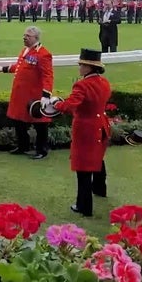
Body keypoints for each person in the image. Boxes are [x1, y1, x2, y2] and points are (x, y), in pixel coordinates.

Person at [52, 49, 111, 217]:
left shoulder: (82, 85)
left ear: (89, 67)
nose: (79, 68)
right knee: (98, 158)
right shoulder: (104, 82)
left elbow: (70, 105)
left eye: (81, 65)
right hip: (101, 125)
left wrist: (57, 104)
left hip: (86, 128)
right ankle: (100, 189)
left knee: (83, 169)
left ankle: (84, 205)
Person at [0, 26, 54, 160]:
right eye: (24, 35)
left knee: (40, 124)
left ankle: (42, 149)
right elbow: (20, 67)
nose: (24, 38)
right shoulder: (25, 51)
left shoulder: (43, 54)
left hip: (34, 96)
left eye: (28, 36)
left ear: (36, 38)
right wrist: (4, 68)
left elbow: (48, 75)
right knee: (18, 121)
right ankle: (23, 145)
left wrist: (46, 95)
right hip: (21, 95)